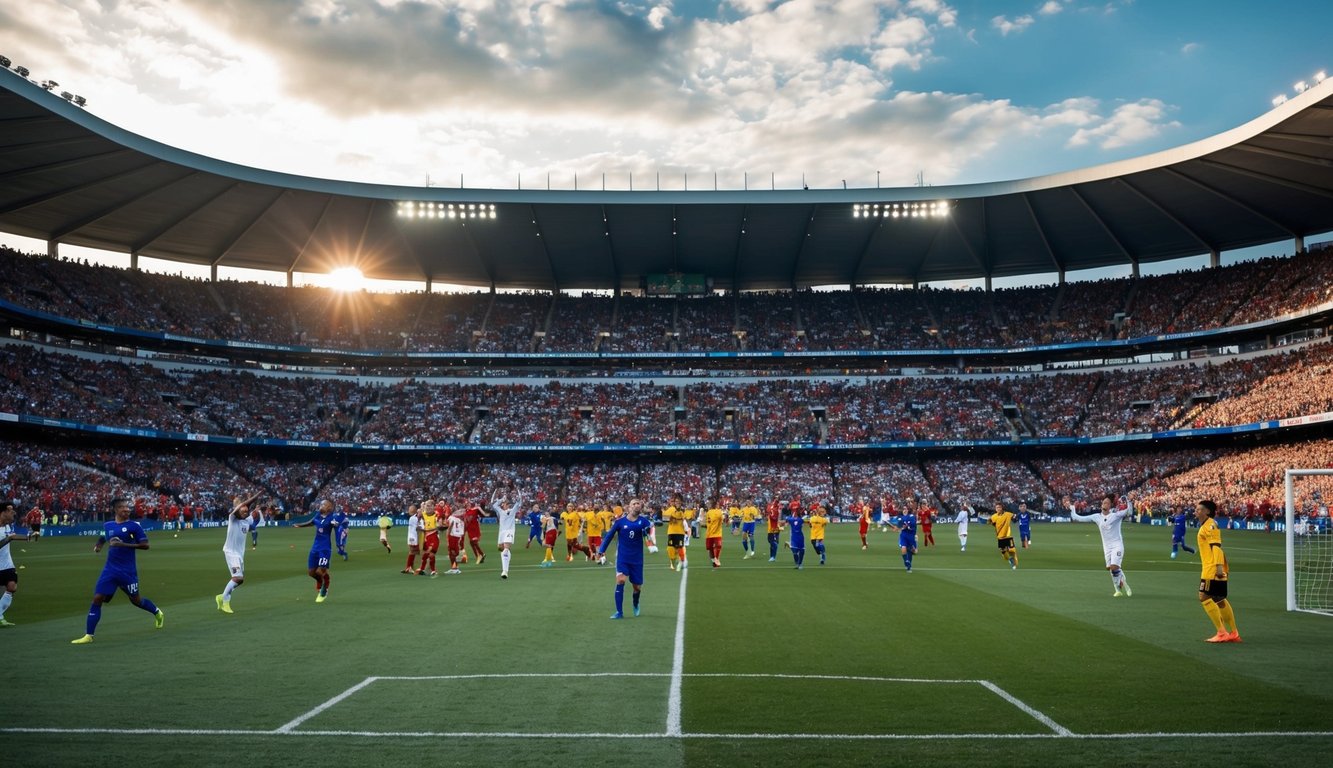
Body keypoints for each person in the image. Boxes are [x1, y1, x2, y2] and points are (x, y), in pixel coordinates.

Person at [71, 497, 166, 643]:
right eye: (123, 507)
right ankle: (89, 635)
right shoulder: (108, 525)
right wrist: (98, 545)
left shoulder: (134, 526)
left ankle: (157, 612)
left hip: (127, 571)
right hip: (110, 569)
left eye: (128, 507)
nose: (127, 509)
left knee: (136, 600)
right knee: (97, 598)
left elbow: (145, 545)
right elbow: (104, 536)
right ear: (116, 510)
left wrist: (123, 545)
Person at [599, 499, 657, 619]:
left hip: (637, 559)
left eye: (638, 504)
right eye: (634, 504)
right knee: (620, 580)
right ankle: (619, 612)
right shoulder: (620, 522)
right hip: (623, 558)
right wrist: (601, 550)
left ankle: (635, 602)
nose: (636, 505)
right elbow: (609, 536)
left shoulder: (644, 522)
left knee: (636, 587)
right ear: (628, 507)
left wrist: (651, 540)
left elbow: (649, 534)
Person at [1066, 494, 1132, 597]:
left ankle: (1121, 587)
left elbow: (1129, 512)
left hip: (1117, 545)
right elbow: (1077, 518)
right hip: (1107, 547)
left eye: (1107, 502)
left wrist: (1129, 501)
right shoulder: (1097, 517)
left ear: (1110, 505)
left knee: (1114, 567)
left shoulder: (1116, 515)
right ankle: (1119, 587)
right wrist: (1072, 508)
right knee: (1110, 568)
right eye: (1103, 502)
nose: (1104, 504)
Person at [1195, 500, 1241, 643]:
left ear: (1207, 511)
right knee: (1219, 599)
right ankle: (1233, 632)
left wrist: (1218, 566)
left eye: (1199, 509)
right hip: (1213, 566)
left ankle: (1221, 632)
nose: (1196, 511)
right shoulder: (1207, 525)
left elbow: (1216, 546)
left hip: (1212, 568)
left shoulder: (1210, 525)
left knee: (1204, 596)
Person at [217, 491, 260, 615]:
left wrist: (256, 515)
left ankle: (222, 596)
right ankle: (225, 601)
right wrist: (254, 497)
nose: (245, 511)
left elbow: (253, 526)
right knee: (237, 578)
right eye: (242, 509)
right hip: (230, 552)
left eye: (246, 510)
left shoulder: (247, 520)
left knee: (240, 580)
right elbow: (243, 507)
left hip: (240, 554)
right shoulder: (233, 517)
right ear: (237, 509)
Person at [291, 500, 337, 603]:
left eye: (324, 504)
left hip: (325, 549)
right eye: (321, 504)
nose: (321, 506)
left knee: (320, 571)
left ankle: (325, 586)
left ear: (330, 508)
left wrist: (336, 524)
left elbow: (336, 524)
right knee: (311, 573)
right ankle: (320, 581)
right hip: (315, 548)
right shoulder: (317, 515)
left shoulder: (331, 518)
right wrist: (299, 525)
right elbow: (311, 522)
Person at [0, 501, 32, 627]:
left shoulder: (8, 527)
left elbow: (12, 536)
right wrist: (9, 539)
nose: (13, 512)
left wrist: (29, 537)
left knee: (12, 587)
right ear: (2, 513)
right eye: (10, 510)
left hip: (7, 564)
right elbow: (9, 538)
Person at [489, 485, 523, 579]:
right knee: (501, 548)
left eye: (506, 503)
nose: (505, 504)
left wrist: (518, 490)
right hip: (501, 532)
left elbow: (519, 501)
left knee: (506, 549)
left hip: (509, 531)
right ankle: (506, 559)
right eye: (504, 503)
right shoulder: (500, 511)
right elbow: (493, 504)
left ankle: (505, 571)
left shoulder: (512, 511)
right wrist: (500, 498)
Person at [987, 502, 1019, 570]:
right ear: (995, 509)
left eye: (999, 507)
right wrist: (989, 521)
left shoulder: (1008, 514)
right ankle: (1010, 560)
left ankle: (1015, 563)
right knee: (1004, 553)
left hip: (1008, 536)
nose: (998, 509)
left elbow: (1014, 519)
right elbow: (991, 523)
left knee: (1012, 550)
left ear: (1002, 508)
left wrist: (1015, 518)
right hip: (1000, 538)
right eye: (997, 508)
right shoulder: (993, 516)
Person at [663, 495, 689, 571]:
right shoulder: (671, 509)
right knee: (670, 548)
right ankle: (673, 560)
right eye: (676, 501)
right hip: (671, 532)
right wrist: (670, 518)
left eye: (678, 501)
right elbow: (664, 516)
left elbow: (685, 517)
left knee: (679, 547)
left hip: (680, 532)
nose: (677, 503)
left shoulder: (683, 510)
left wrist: (677, 517)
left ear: (681, 502)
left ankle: (682, 561)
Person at [888, 505, 918, 572]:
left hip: (911, 536)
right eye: (903, 509)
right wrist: (896, 528)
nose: (905, 510)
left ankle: (909, 566)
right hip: (903, 535)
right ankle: (906, 562)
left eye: (906, 509)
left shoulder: (912, 516)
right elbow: (899, 526)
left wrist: (907, 526)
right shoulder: (900, 518)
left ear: (908, 510)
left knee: (912, 552)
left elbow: (913, 525)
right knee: (903, 548)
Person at [418, 499, 440, 575]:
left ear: (434, 506)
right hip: (426, 538)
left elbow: (439, 526)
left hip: (434, 537)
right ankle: (422, 569)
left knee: (431, 554)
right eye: (427, 506)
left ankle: (433, 571)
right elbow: (419, 520)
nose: (428, 507)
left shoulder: (436, 514)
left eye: (429, 506)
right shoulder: (423, 514)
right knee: (425, 555)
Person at [703, 499, 727, 568]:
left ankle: (716, 558)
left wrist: (725, 520)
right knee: (709, 548)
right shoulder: (708, 513)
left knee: (718, 546)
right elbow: (707, 522)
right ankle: (714, 561)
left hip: (717, 533)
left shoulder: (719, 512)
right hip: (709, 533)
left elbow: (722, 519)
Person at [443, 507, 466, 575]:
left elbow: (449, 527)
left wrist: (447, 535)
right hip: (459, 536)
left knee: (451, 552)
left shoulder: (451, 518)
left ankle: (454, 568)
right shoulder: (460, 519)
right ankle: (456, 567)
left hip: (452, 536)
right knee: (454, 552)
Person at [463, 499, 486, 565]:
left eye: (469, 504)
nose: (468, 505)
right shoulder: (465, 513)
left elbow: (482, 514)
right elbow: (465, 522)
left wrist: (480, 507)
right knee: (471, 543)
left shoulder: (475, 510)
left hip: (475, 529)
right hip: (469, 530)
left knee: (474, 542)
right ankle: (479, 556)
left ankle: (481, 554)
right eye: (466, 504)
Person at [402, 503, 422, 574]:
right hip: (414, 538)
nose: (408, 511)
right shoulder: (414, 518)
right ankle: (409, 567)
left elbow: (418, 527)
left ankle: (409, 567)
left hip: (413, 538)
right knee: (413, 552)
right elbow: (418, 527)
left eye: (409, 509)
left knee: (412, 552)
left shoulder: (413, 518)